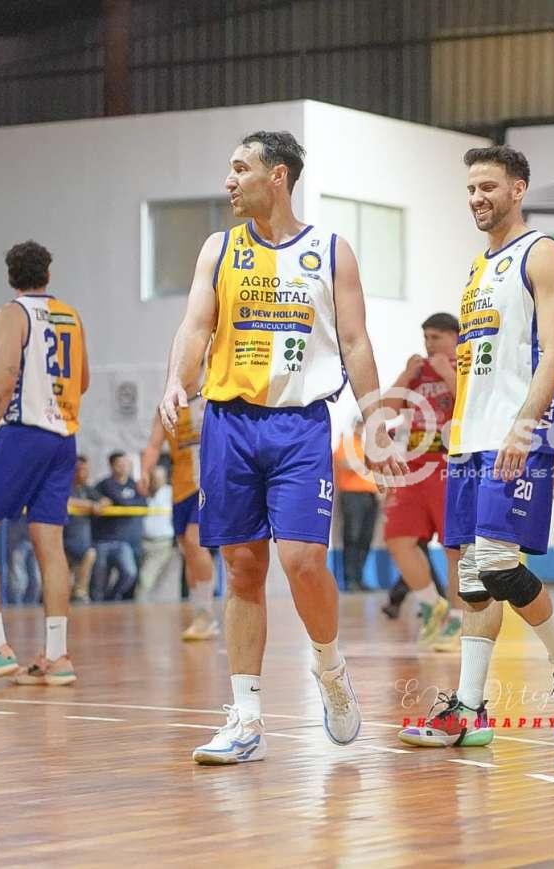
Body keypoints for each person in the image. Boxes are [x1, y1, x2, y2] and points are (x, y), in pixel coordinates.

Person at [158, 130, 403, 765]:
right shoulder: (219, 248)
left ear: (278, 177)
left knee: (303, 562)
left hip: (299, 425)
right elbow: (194, 326)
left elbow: (355, 341)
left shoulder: (330, 250)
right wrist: (176, 381)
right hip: (229, 423)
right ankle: (246, 720)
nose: (229, 180)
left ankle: (330, 666)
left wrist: (375, 417)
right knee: (241, 567)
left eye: (241, 168)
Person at [399, 145, 554, 749]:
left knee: (497, 563)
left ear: (518, 189)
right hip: (470, 436)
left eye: (488, 186)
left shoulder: (543, 253)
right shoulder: (479, 269)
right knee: (473, 578)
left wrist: (524, 425)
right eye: (470, 189)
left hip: (519, 431)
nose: (477, 198)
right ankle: (469, 709)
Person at [0, 239, 88, 687]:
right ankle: (57, 656)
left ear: (11, 277)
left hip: (23, 433)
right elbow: (83, 380)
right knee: (50, 544)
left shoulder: (12, 313)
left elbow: (5, 379)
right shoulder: (71, 316)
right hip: (64, 440)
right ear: (48, 274)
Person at [382, 312, 463, 651]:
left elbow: (473, 408)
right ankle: (433, 605)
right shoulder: (416, 373)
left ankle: (458, 620)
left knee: (454, 548)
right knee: (397, 537)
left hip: (451, 467)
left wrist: (448, 374)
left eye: (436, 337)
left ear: (455, 337)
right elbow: (384, 412)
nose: (429, 344)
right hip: (414, 467)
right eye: (426, 337)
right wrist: (405, 374)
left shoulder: (467, 366)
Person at [141, 392, 217, 639]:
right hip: (181, 488)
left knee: (195, 543)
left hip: (208, 483)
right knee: (188, 550)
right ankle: (199, 614)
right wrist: (145, 471)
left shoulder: (212, 397)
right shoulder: (167, 406)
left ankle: (206, 615)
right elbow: (154, 444)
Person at [90, 451, 146, 602]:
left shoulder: (133, 484)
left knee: (129, 572)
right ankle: (97, 604)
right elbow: (119, 500)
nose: (124, 467)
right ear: (112, 466)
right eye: (120, 464)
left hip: (122, 540)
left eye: (126, 464)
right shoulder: (104, 484)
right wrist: (125, 504)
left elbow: (142, 503)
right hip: (102, 540)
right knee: (99, 577)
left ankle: (112, 598)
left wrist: (126, 504)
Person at [332, 419, 379, 593]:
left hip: (370, 496)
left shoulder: (364, 446)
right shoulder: (346, 443)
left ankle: (359, 579)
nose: (361, 427)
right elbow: (344, 463)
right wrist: (364, 463)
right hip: (352, 495)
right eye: (358, 423)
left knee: (366, 537)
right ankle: (350, 579)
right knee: (352, 537)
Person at [136, 465, 182, 602]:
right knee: (143, 579)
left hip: (162, 542)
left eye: (159, 478)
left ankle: (140, 607)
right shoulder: (143, 491)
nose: (156, 481)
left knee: (146, 578)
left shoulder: (170, 492)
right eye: (154, 477)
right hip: (142, 542)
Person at [63, 455, 100, 602]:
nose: (84, 473)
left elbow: (105, 500)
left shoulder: (87, 489)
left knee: (90, 555)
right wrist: (90, 505)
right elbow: (65, 501)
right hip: (63, 541)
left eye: (85, 470)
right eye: (79, 469)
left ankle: (80, 594)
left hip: (82, 543)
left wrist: (100, 505)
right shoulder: (65, 487)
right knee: (63, 582)